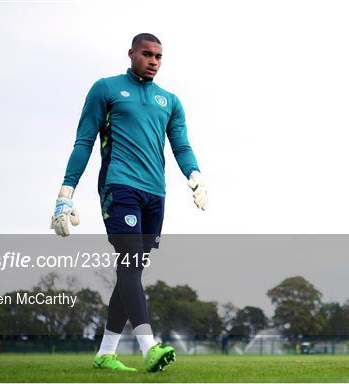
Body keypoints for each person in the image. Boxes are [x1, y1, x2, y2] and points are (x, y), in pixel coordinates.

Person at [51, 33, 207, 372]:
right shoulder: (105, 89)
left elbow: (181, 145)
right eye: (147, 54)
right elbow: (83, 142)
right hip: (119, 187)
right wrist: (66, 193)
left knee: (132, 271)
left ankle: (105, 353)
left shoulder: (170, 101)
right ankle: (149, 346)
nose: (153, 61)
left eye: (159, 56)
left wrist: (194, 176)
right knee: (130, 263)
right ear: (132, 54)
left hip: (156, 194)